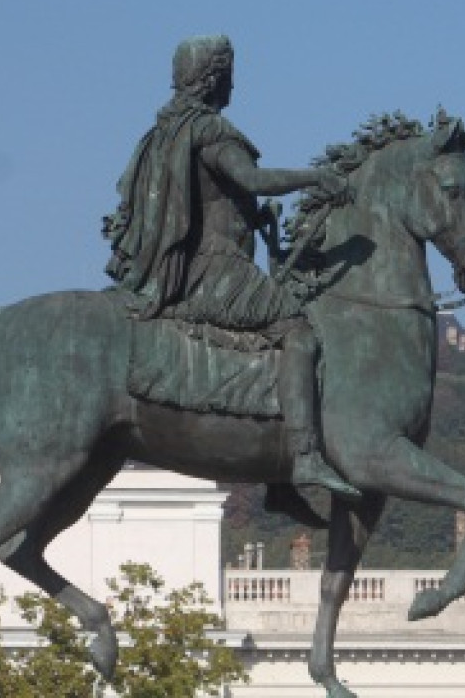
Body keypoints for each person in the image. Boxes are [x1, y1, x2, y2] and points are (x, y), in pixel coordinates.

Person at [104, 34, 360, 499]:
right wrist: (317, 177)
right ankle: (302, 459)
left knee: (267, 342)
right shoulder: (209, 131)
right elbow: (252, 179)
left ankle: (278, 480)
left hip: (177, 268)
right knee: (299, 332)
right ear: (214, 76)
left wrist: (249, 215)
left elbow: (207, 198)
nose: (233, 85)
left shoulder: (161, 133)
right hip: (213, 269)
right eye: (229, 74)